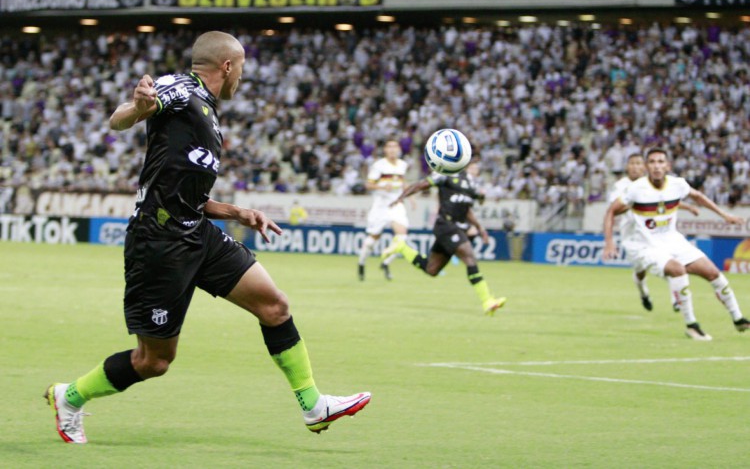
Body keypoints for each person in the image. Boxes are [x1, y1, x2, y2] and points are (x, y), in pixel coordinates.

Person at [44, 31, 370, 444]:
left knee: (275, 306)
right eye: (242, 70)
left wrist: (238, 212)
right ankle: (69, 397)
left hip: (197, 232)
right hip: (158, 242)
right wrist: (138, 106)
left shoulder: (207, 111)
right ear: (228, 66)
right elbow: (122, 116)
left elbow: (187, 193)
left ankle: (313, 405)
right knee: (154, 361)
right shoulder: (182, 88)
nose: (242, 79)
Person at [603, 147, 750, 341]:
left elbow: (697, 196)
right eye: (653, 162)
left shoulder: (677, 184)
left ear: (668, 166)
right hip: (645, 245)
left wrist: (725, 215)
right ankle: (691, 325)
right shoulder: (635, 189)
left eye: (661, 162)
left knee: (714, 274)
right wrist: (609, 242)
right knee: (677, 270)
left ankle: (738, 318)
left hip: (673, 240)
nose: (657, 166)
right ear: (647, 167)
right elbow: (611, 211)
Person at [383, 161, 506, 315]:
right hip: (446, 225)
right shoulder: (446, 175)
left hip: (457, 227)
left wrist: (480, 227)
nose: (475, 170)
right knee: (469, 258)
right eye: (472, 167)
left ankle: (402, 247)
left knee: (432, 269)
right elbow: (421, 185)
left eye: (477, 168)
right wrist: (401, 197)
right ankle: (487, 300)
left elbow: (467, 210)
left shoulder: (470, 185)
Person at [609, 153, 699, 312]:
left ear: (643, 166)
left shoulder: (649, 184)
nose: (636, 167)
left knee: (670, 264)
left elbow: (663, 200)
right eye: (632, 163)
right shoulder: (621, 186)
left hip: (653, 233)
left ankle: (676, 298)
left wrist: (688, 206)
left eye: (638, 163)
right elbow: (615, 208)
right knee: (640, 272)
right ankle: (643, 292)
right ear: (627, 167)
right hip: (633, 236)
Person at [357, 139, 410, 281]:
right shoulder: (379, 165)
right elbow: (368, 185)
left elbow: (402, 182)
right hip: (381, 205)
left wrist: (410, 197)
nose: (392, 149)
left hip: (396, 204)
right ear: (385, 150)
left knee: (403, 236)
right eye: (389, 146)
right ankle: (361, 263)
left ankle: (386, 263)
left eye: (395, 146)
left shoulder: (403, 165)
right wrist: (381, 187)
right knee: (372, 240)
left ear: (399, 149)